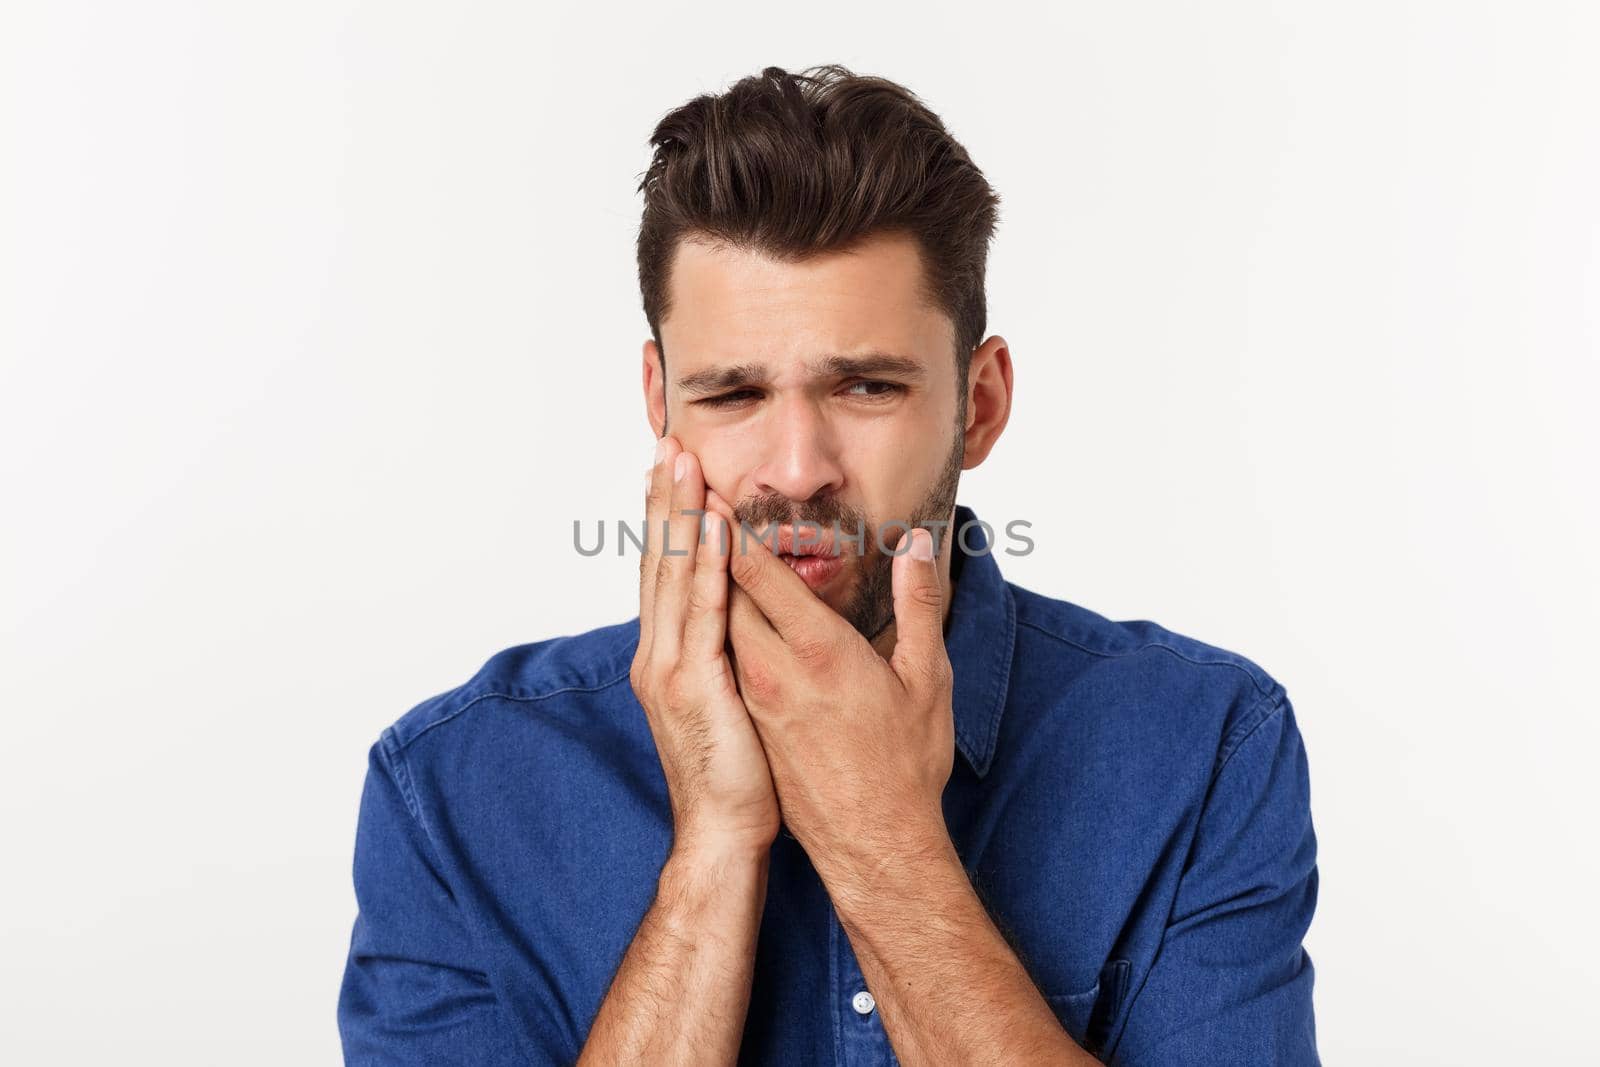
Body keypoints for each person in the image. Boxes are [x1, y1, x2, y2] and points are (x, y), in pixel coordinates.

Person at [337, 64, 1319, 1065]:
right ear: (658, 399)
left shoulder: (1204, 746)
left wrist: (884, 842)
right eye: (732, 394)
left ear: (976, 404)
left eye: (864, 386)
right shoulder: (451, 785)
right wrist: (713, 848)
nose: (799, 471)